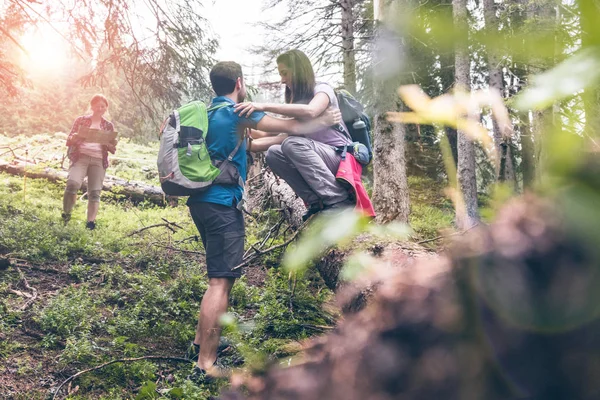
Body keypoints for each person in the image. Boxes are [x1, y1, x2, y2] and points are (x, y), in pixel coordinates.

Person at [186, 61, 340, 383]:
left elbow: (254, 144)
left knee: (216, 278)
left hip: (200, 203)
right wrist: (323, 119)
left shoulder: (212, 114)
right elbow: (294, 128)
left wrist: (279, 138)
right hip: (222, 203)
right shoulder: (241, 112)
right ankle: (205, 364)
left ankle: (200, 343)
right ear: (239, 83)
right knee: (220, 283)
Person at [235, 49, 355, 221]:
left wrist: (262, 106)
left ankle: (338, 200)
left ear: (298, 70)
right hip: (318, 158)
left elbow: (312, 111)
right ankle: (316, 203)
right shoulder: (297, 104)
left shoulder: (322, 90)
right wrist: (244, 137)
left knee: (292, 144)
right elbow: (274, 134)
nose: (282, 80)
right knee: (274, 153)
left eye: (285, 73)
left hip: (341, 158)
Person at [62, 94, 117, 230]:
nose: (100, 108)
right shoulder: (81, 120)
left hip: (98, 160)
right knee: (73, 183)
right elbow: (69, 140)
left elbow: (113, 149)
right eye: (97, 106)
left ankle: (90, 222)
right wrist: (75, 136)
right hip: (80, 157)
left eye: (103, 106)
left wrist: (109, 145)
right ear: (92, 106)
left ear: (106, 108)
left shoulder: (108, 125)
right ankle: (67, 213)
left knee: (95, 192)